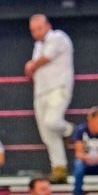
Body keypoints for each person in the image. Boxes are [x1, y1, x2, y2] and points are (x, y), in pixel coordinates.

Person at [25, 14, 74, 183]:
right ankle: (59, 169)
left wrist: (31, 65)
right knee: (47, 133)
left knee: (52, 121)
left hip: (58, 87)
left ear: (48, 25)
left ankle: (69, 130)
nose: (36, 33)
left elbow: (43, 60)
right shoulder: (38, 45)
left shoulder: (58, 37)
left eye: (39, 28)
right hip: (40, 91)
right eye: (33, 30)